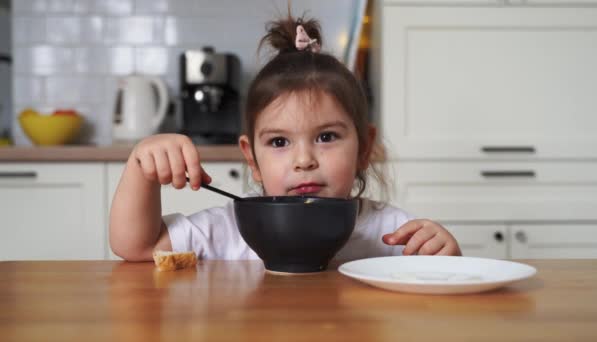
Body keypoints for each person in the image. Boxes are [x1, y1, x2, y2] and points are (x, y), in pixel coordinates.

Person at [109, 14, 461, 262]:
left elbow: (438, 285)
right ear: (252, 159)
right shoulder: (229, 228)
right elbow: (138, 247)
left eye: (326, 136)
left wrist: (445, 255)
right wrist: (141, 167)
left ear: (364, 148)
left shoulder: (391, 233)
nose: (303, 160)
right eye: (279, 142)